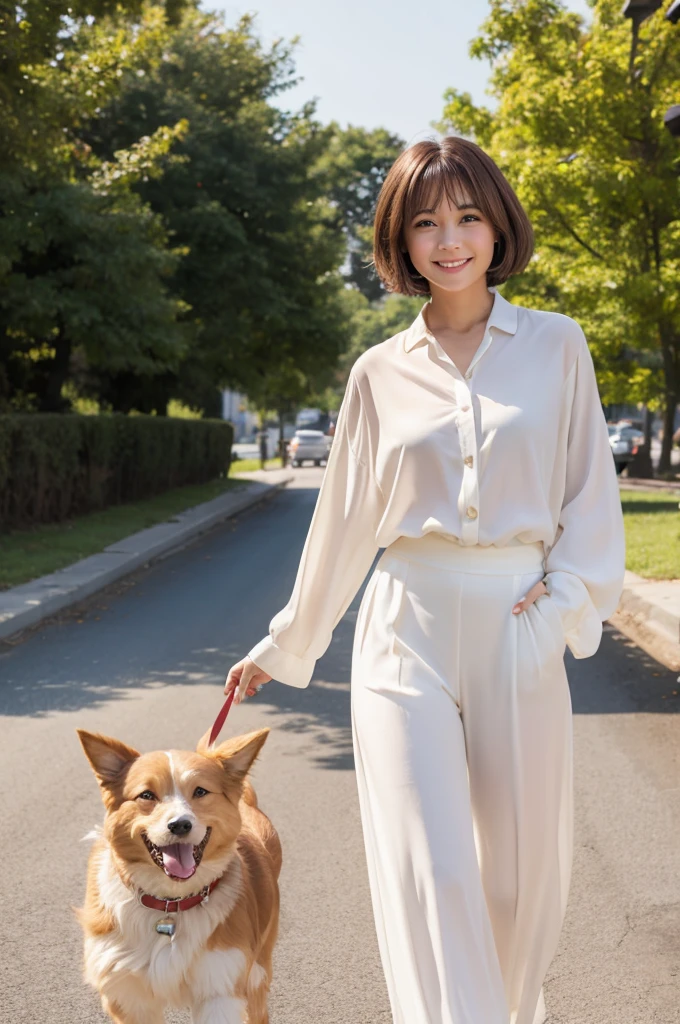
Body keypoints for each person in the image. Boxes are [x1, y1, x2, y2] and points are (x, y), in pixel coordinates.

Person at [224, 137, 625, 1024]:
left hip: (520, 618)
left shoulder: (557, 346)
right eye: (426, 223)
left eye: (468, 217)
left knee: (519, 886)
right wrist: (285, 642)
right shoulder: (379, 372)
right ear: (400, 243)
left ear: (498, 227)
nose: (450, 240)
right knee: (433, 872)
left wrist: (562, 606)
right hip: (404, 628)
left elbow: (590, 492)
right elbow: (345, 523)